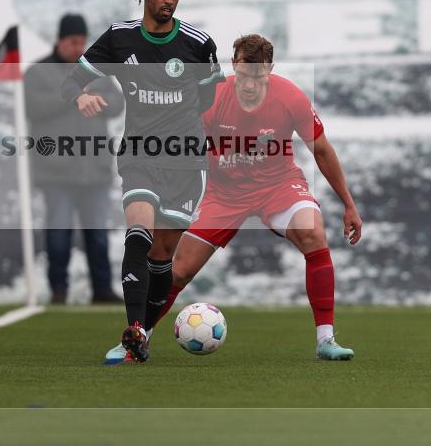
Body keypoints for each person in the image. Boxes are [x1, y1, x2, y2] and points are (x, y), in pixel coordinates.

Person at [106, 34, 362, 363]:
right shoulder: (212, 99)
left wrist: (349, 204)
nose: (250, 85)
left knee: (313, 232)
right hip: (223, 193)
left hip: (278, 186)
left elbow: (322, 149)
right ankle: (136, 340)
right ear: (233, 66)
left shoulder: (291, 97)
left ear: (269, 69)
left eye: (258, 77)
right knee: (178, 271)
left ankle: (325, 340)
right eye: (243, 76)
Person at [62, 0, 223, 362]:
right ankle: (132, 329)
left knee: (162, 255)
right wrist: (81, 96)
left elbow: (209, 101)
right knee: (138, 231)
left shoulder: (198, 44)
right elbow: (70, 81)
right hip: (138, 154)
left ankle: (142, 336)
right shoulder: (120, 38)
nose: (169, 0)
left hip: (186, 162)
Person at [24, 13, 124, 304]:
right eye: (73, 42)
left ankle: (102, 291)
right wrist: (74, 94)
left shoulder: (96, 70)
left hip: (95, 170)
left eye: (82, 42)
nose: (79, 48)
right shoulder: (38, 72)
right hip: (56, 172)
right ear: (59, 40)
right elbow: (32, 107)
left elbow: (117, 104)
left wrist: (93, 96)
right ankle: (58, 292)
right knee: (58, 236)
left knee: (98, 236)